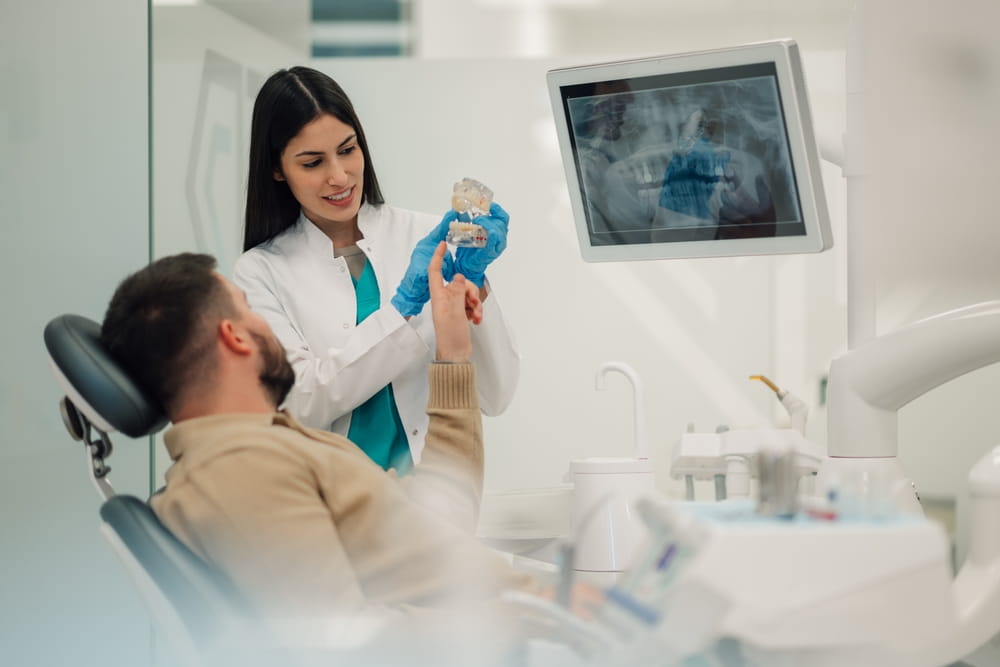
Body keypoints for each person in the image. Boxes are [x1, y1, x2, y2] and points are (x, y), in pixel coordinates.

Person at [99, 245, 551, 650]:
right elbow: (348, 645)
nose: (263, 322)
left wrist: (452, 351)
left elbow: (442, 519)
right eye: (249, 309)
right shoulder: (240, 470)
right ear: (235, 336)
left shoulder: (275, 446)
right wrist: (534, 616)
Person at [232, 65, 518, 474]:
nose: (339, 176)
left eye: (348, 150)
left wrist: (475, 285)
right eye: (312, 163)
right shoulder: (261, 271)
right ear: (277, 169)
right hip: (338, 511)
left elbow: (496, 395)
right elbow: (298, 404)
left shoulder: (424, 237)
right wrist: (402, 308)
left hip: (436, 498)